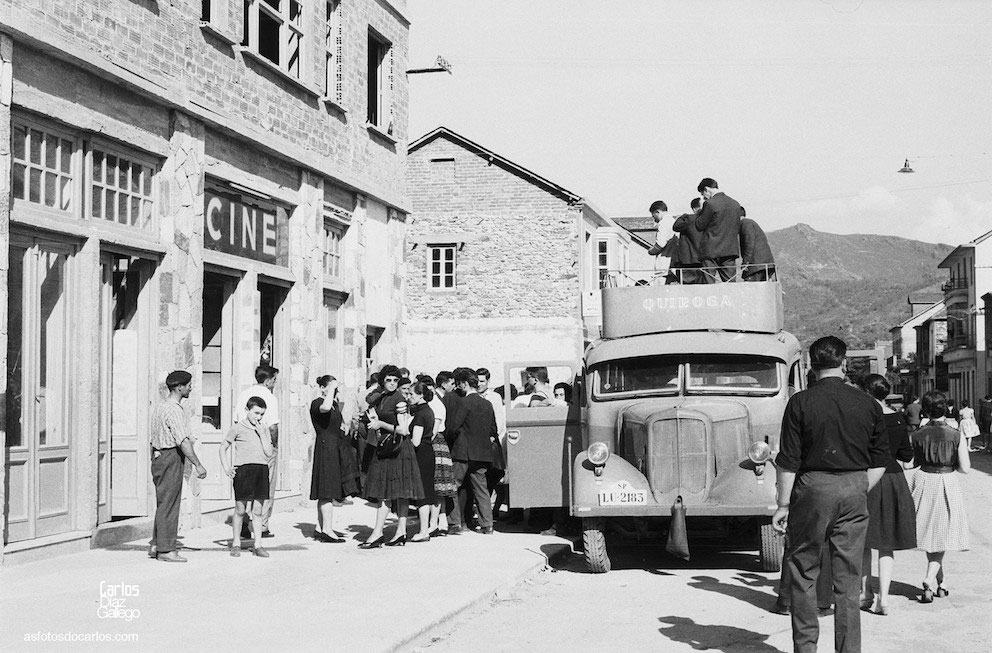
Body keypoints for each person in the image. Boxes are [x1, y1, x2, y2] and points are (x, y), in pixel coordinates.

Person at [773, 336, 889, 653]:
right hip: (854, 487)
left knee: (803, 572)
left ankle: (806, 648)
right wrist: (858, 486)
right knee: (849, 579)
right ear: (844, 363)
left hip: (812, 489)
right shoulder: (868, 403)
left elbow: (788, 461)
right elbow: (881, 460)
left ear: (811, 365)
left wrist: (783, 504)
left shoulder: (799, 403)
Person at [858, 375, 916, 615]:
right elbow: (907, 455)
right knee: (886, 543)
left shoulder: (861, 417)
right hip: (893, 480)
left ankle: (865, 593)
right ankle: (884, 597)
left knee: (863, 541)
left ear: (866, 392)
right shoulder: (898, 418)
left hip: (867, 478)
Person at [909, 391, 971, 603]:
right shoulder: (955, 434)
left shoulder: (917, 434)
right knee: (941, 534)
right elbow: (965, 468)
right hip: (946, 480)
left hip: (924, 479)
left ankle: (941, 583)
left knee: (931, 535)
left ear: (925, 410)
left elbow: (909, 463)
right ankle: (929, 579)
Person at [149, 371, 208, 562]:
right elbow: (182, 441)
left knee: (163, 502)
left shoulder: (161, 406)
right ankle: (166, 550)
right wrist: (198, 464)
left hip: (159, 456)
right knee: (170, 504)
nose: (191, 388)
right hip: (170, 457)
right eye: (189, 385)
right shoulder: (174, 410)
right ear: (179, 387)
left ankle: (157, 543)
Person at [362, 383, 424, 548]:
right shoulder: (383, 397)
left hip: (398, 448)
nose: (392, 383)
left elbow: (403, 430)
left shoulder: (399, 401)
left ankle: (385, 532)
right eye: (388, 379)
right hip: (388, 447)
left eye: (395, 380)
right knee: (391, 493)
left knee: (392, 493)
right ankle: (393, 532)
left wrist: (380, 424)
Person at [220, 396, 275, 557]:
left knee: (257, 510)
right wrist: (227, 467)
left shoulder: (263, 428)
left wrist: (262, 433)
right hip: (244, 470)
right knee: (240, 508)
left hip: (261, 470)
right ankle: (236, 543)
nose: (258, 417)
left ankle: (258, 545)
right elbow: (223, 448)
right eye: (256, 413)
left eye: (261, 414)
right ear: (246, 410)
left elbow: (269, 452)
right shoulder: (237, 427)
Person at [445, 369, 498, 535]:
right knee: (481, 489)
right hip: (482, 453)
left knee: (453, 486)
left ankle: (455, 523)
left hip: (463, 452)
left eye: (460, 384)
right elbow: (493, 429)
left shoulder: (464, 403)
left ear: (465, 384)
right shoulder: (487, 404)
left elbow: (453, 427)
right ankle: (487, 525)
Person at [309, 375, 359, 543]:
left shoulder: (334, 404)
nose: (335, 391)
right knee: (326, 491)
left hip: (334, 447)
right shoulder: (318, 403)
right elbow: (324, 408)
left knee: (326, 490)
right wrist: (330, 389)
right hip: (325, 448)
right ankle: (327, 530)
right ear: (323, 388)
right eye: (332, 388)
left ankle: (320, 527)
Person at [234, 364, 280, 539]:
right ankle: (263, 525)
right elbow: (273, 426)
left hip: (244, 445)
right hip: (262, 444)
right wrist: (274, 445)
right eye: (274, 380)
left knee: (245, 484)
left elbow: (237, 421)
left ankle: (244, 523)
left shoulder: (243, 395)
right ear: (268, 381)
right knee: (264, 486)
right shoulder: (270, 398)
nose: (274, 383)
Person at [694, 178, 744, 283]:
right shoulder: (735, 204)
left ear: (706, 189)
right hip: (729, 250)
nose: (703, 197)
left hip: (710, 250)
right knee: (730, 284)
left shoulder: (710, 204)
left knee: (709, 284)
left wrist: (700, 211)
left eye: (703, 194)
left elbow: (700, 225)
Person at [405, 381, 437, 542]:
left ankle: (424, 531)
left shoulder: (421, 414)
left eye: (411, 394)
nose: (408, 397)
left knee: (422, 494)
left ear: (421, 395)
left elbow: (416, 441)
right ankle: (425, 528)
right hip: (428, 452)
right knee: (426, 493)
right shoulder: (428, 411)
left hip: (421, 454)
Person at [671, 198, 705, 284]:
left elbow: (676, 226)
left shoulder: (689, 219)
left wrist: (683, 216)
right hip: (703, 261)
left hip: (688, 261)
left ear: (694, 209)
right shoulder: (710, 220)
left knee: (687, 288)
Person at [646, 200, 678, 283]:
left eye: (654, 216)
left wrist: (650, 251)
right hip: (673, 263)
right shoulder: (673, 221)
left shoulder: (663, 223)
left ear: (658, 212)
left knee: (660, 288)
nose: (654, 219)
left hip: (663, 265)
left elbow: (660, 244)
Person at [739, 217, 776, 281]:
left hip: (757, 266)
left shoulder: (746, 224)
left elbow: (749, 243)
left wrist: (745, 263)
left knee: (750, 286)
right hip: (764, 264)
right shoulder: (749, 223)